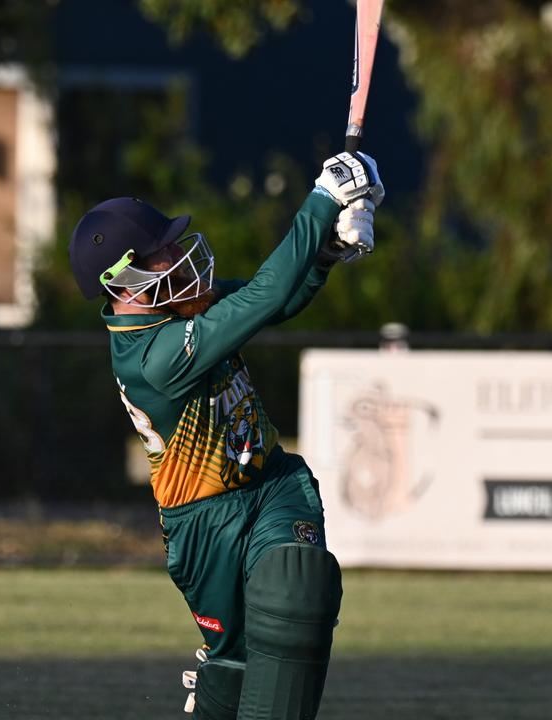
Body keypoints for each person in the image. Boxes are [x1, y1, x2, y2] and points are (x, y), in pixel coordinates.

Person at [68, 151, 383, 719]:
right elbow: (261, 296)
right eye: (161, 250)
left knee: (299, 585)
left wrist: (326, 252)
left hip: (268, 484)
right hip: (203, 524)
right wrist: (321, 201)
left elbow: (276, 300)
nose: (176, 254)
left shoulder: (179, 308)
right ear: (125, 277)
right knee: (234, 664)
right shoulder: (152, 357)